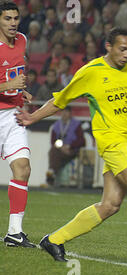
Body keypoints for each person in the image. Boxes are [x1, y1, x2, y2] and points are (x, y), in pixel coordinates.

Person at [15, 28, 127, 263]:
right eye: (122, 49)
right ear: (109, 46)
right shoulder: (91, 73)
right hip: (112, 141)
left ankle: (54, 240)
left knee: (110, 205)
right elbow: (60, 100)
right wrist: (32, 118)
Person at [0, 1, 35, 248]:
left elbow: (16, 70)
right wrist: (7, 87)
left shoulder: (22, 40)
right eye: (7, 19)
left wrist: (22, 91)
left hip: (13, 115)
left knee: (23, 168)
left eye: (15, 18)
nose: (13, 23)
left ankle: (14, 232)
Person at [46, 106, 85, 186]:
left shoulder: (76, 124)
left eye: (66, 112)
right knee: (53, 151)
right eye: (63, 112)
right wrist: (61, 147)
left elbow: (81, 141)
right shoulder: (56, 125)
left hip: (73, 150)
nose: (64, 114)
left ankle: (51, 173)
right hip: (60, 150)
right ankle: (52, 173)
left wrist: (69, 146)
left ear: (70, 113)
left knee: (54, 154)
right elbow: (53, 141)